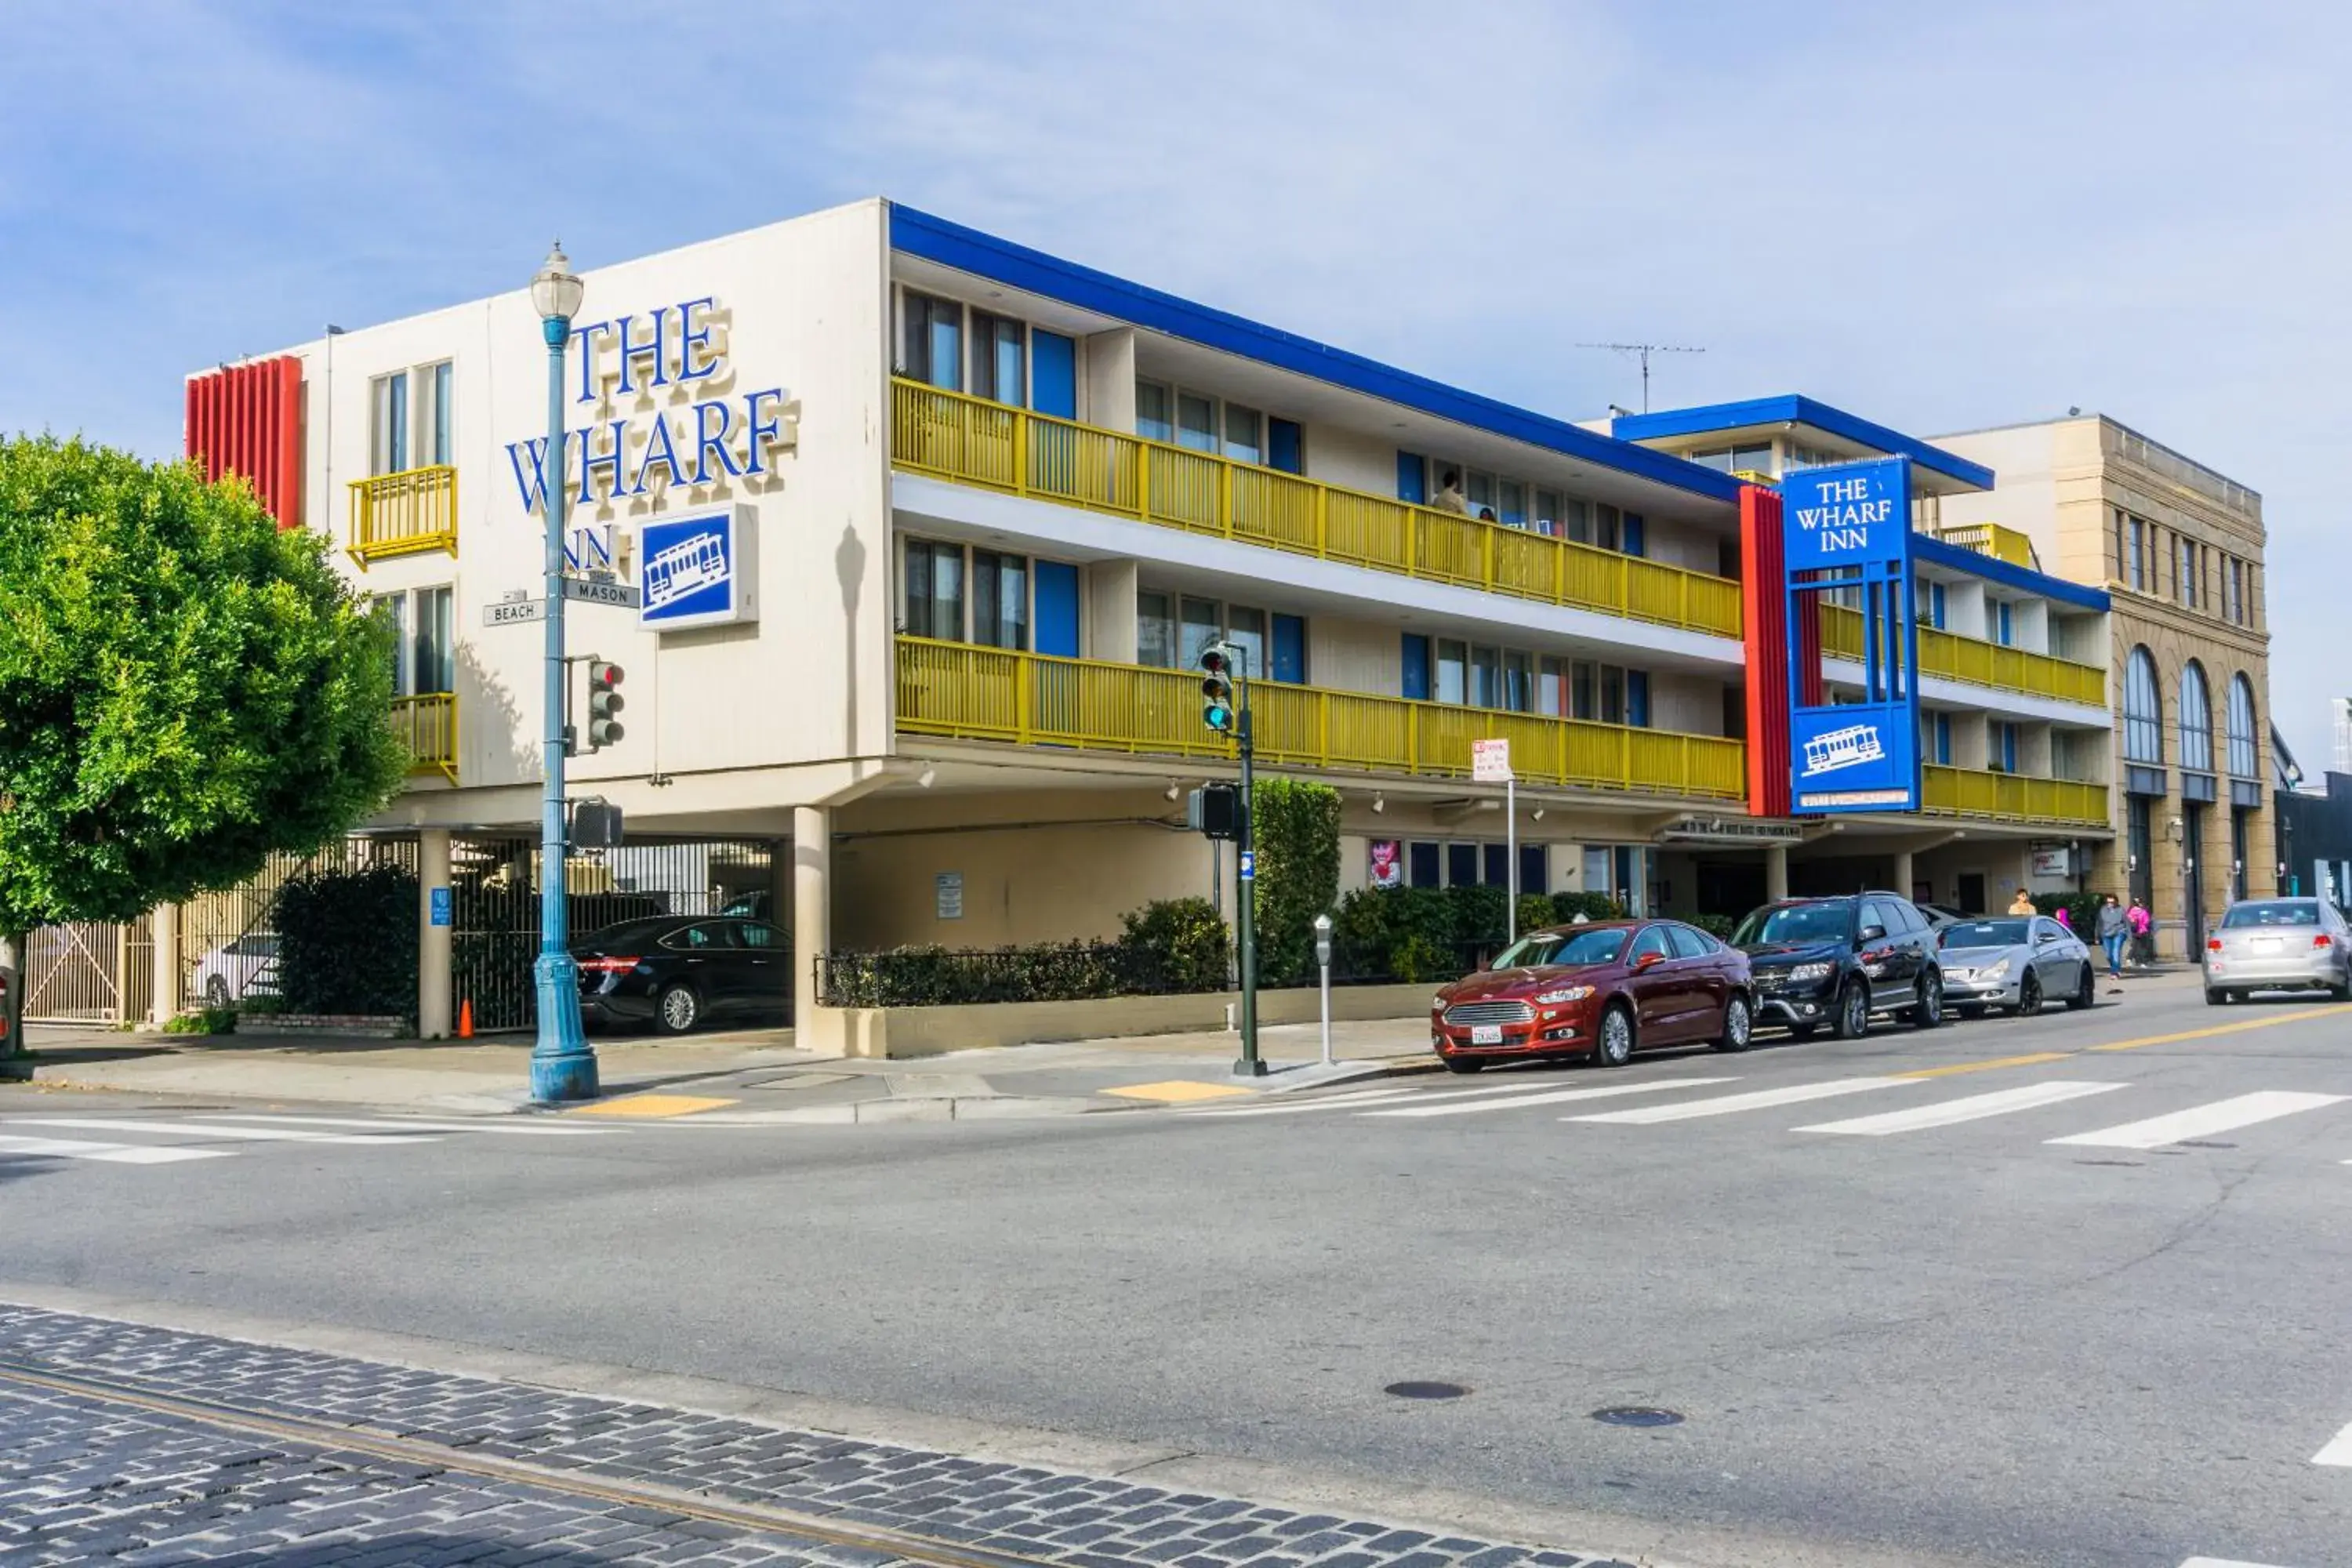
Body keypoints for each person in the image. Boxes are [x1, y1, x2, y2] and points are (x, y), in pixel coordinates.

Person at [2096, 894, 2129, 978]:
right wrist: (2096, 936)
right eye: (2108, 902)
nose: (2110, 904)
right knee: (2108, 955)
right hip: (2106, 934)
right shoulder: (2103, 910)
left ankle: (2115, 972)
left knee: (2116, 951)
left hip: (2119, 932)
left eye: (2112, 902)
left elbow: (2126, 923)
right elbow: (2099, 924)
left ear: (2116, 902)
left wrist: (2129, 936)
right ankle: (2115, 967)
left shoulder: (2121, 910)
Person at [2127, 897, 2153, 967]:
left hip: (2134, 931)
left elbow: (2128, 921)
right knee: (2143, 947)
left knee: (2134, 946)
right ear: (2140, 904)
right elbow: (2147, 922)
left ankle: (2129, 958)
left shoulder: (2130, 912)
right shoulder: (2143, 912)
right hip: (2143, 931)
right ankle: (2143, 963)